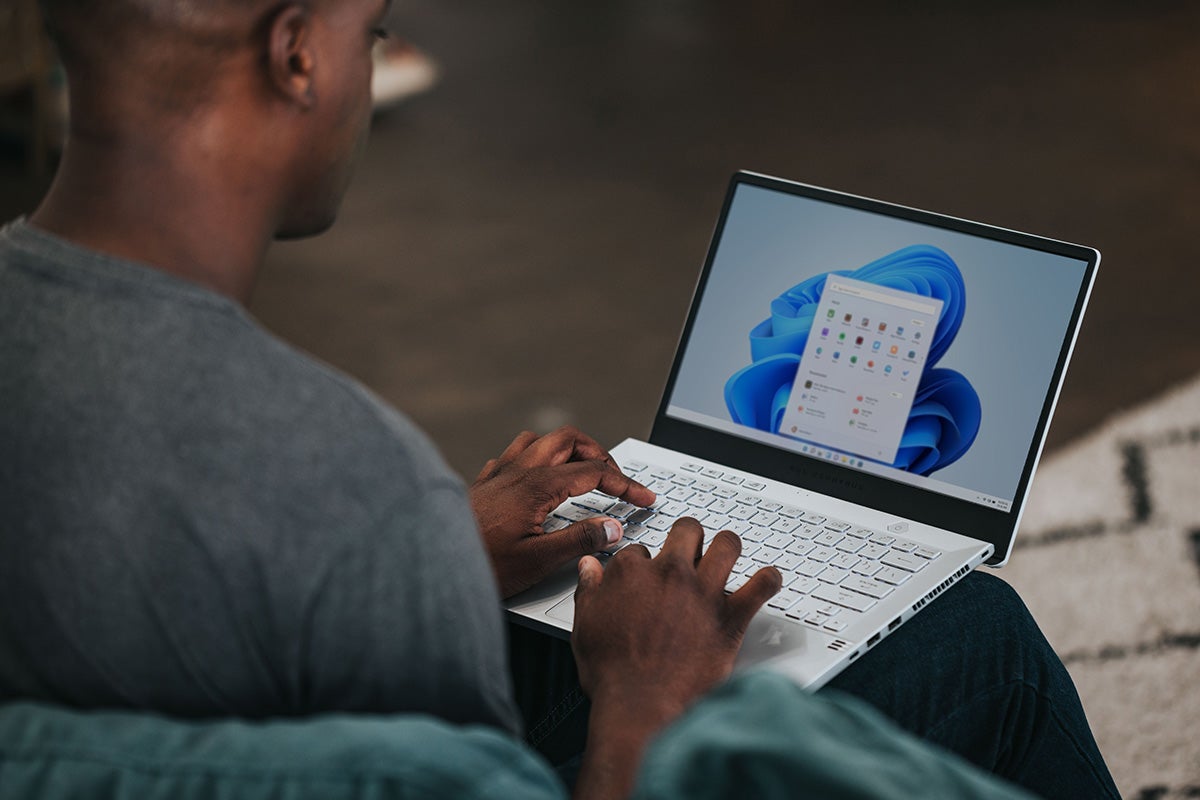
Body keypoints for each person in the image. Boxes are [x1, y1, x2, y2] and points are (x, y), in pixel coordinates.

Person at [0, 0, 1119, 797]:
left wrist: (444, 552)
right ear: (297, 55)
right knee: (983, 637)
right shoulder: (345, 476)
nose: (368, 65)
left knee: (573, 603)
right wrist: (646, 698)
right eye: (372, 31)